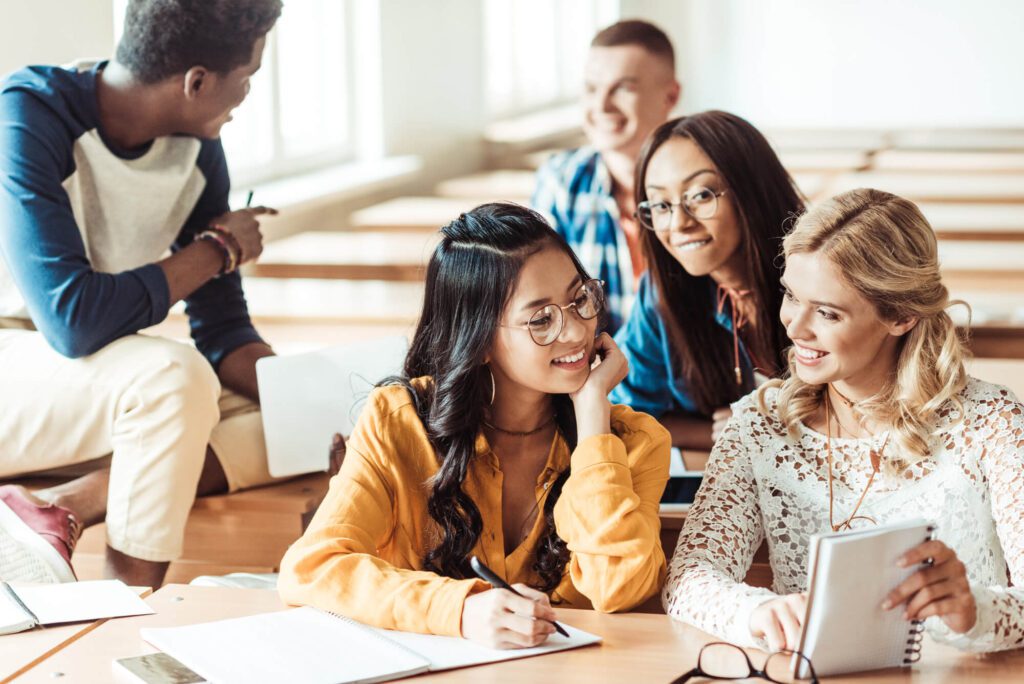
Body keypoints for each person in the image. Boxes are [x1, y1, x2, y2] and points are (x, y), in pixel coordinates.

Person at [278, 203, 669, 648]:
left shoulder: (632, 441)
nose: (577, 331)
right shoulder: (399, 420)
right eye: (541, 319)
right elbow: (312, 567)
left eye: (580, 299)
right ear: (478, 339)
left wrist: (593, 418)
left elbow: (619, 590)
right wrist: (461, 609)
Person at [663, 188, 1024, 653]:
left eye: (827, 312)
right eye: (792, 296)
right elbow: (689, 578)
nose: (795, 326)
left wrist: (975, 609)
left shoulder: (992, 422)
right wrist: (754, 611)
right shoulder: (759, 425)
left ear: (901, 316)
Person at [0, 0, 284, 588]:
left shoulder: (198, 148)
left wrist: (315, 398)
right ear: (196, 82)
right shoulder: (29, 113)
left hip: (86, 386)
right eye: (248, 79)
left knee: (285, 425)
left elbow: (224, 331)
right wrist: (215, 250)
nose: (247, 96)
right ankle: (123, 607)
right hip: (16, 367)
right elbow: (70, 318)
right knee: (174, 379)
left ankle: (68, 502)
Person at [610, 111, 805, 450]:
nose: (678, 223)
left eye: (700, 195)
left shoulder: (826, 278)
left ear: (752, 189)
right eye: (660, 204)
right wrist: (733, 432)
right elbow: (621, 414)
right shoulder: (661, 295)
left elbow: (876, 412)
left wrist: (773, 425)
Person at [532, 19, 680, 334]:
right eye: (591, 88)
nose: (601, 105)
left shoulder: (704, 183)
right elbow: (539, 301)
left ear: (670, 96)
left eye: (623, 87)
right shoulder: (561, 182)